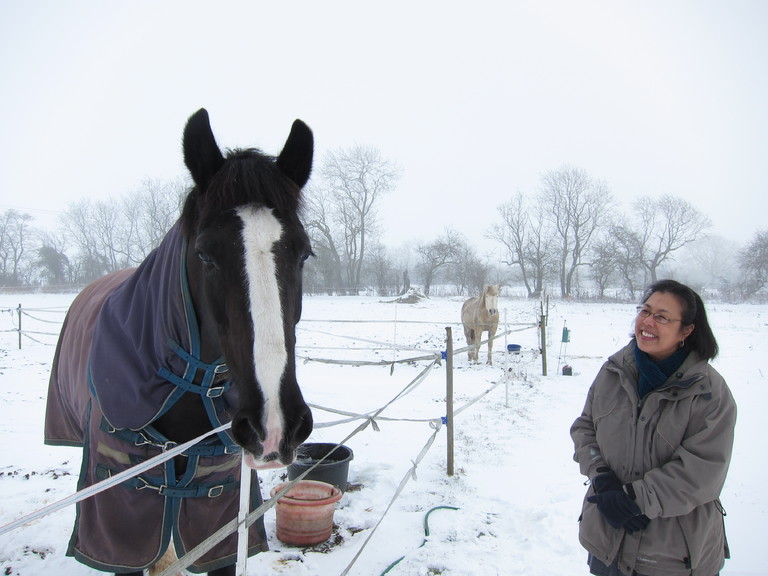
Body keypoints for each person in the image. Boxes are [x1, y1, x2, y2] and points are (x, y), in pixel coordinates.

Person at [571, 280, 736, 576]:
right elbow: (584, 429)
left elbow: (703, 472)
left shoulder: (709, 393)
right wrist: (602, 479)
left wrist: (634, 499)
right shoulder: (613, 372)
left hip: (672, 554)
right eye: (645, 311)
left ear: (686, 331)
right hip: (608, 539)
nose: (647, 322)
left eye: (662, 316)